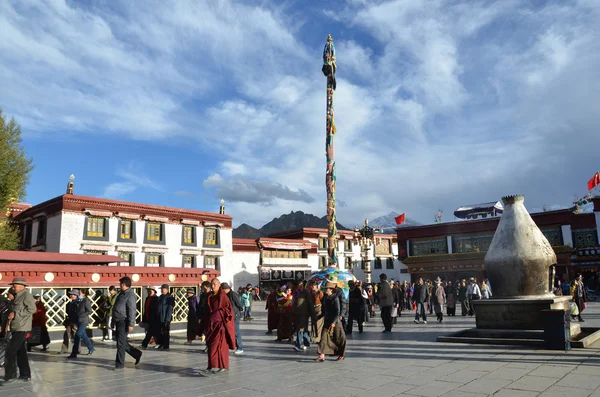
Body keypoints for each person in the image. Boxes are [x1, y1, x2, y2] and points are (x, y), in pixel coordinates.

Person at [199, 278, 236, 374]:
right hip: (211, 326)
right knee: (211, 346)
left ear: (219, 285)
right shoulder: (210, 296)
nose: (213, 286)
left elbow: (228, 310)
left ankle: (222, 365)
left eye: (215, 284)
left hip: (221, 326)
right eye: (212, 284)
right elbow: (207, 311)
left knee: (220, 347)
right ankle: (211, 365)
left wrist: (217, 314)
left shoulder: (223, 296)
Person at [3, 278, 35, 384]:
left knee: (11, 351)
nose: (13, 288)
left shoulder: (26, 295)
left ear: (22, 286)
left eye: (14, 286)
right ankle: (25, 374)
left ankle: (11, 375)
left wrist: (16, 314)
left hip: (22, 327)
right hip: (16, 327)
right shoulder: (17, 296)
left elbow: (32, 309)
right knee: (21, 352)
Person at [112, 276, 142, 369]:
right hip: (118, 320)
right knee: (121, 342)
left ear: (124, 285)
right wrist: (113, 320)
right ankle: (136, 353)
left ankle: (119, 364)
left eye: (120, 284)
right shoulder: (121, 293)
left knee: (120, 343)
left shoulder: (130, 295)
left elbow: (132, 309)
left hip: (124, 321)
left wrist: (131, 323)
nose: (119, 285)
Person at [316, 281, 346, 362]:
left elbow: (337, 312)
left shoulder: (335, 298)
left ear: (331, 290)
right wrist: (318, 317)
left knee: (340, 338)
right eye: (325, 289)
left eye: (327, 289)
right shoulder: (325, 298)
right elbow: (324, 310)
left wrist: (334, 322)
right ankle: (322, 355)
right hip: (327, 320)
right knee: (323, 338)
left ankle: (341, 354)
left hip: (335, 321)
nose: (326, 290)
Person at [68, 289, 95, 358]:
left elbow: (89, 311)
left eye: (79, 293)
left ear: (83, 294)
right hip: (78, 320)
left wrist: (82, 314)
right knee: (84, 336)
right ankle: (91, 348)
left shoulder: (86, 301)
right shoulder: (77, 301)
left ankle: (74, 353)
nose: (78, 294)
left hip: (84, 320)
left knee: (78, 334)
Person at [221, 283, 244, 355]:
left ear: (226, 289)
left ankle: (240, 348)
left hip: (235, 315)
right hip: (229, 316)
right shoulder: (225, 295)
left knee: (236, 331)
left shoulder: (233, 294)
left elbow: (239, 304)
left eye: (223, 290)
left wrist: (239, 313)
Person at [292, 281, 315, 351]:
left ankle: (298, 344)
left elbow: (310, 303)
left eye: (301, 284)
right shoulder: (296, 293)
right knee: (304, 330)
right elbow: (294, 303)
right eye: (299, 285)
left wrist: (312, 313)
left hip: (304, 314)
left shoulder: (306, 292)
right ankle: (307, 343)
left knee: (300, 329)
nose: (300, 286)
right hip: (298, 314)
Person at [156, 284, 174, 350]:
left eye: (162, 289)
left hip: (165, 317)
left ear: (166, 289)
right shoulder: (160, 297)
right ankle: (161, 343)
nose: (161, 290)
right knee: (160, 332)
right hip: (160, 317)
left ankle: (166, 345)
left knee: (166, 332)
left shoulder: (169, 297)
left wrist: (168, 319)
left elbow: (169, 309)